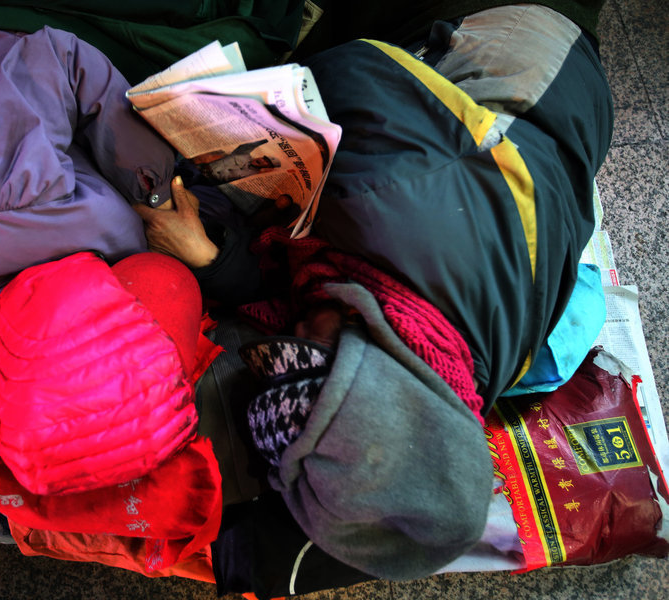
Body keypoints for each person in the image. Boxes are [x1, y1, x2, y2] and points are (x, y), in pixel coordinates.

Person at [134, 1, 613, 590]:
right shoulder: (392, 206)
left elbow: (301, 306)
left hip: (564, 120)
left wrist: (215, 261)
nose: (292, 330)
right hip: (523, 37)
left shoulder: (449, 375)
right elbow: (351, 70)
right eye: (310, 347)